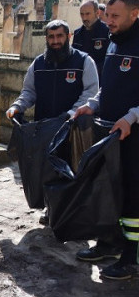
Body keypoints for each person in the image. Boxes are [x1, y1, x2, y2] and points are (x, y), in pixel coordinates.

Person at [6, 20, 99, 224]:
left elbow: (91, 93)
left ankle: (72, 211)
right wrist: (16, 107)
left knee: (73, 169)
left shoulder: (84, 62)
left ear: (68, 37)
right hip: (45, 128)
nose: (55, 41)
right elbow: (29, 92)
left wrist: (71, 113)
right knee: (47, 170)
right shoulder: (38, 64)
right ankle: (51, 209)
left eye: (60, 36)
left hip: (74, 127)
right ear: (46, 39)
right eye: (51, 37)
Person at [74, 0, 139, 280]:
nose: (107, 20)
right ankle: (109, 243)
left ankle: (131, 257)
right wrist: (92, 104)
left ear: (135, 14)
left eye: (115, 16)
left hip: (133, 133)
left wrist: (132, 116)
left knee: (132, 196)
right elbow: (108, 86)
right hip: (109, 130)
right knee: (110, 189)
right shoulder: (114, 42)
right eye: (107, 15)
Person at [73, 0, 111, 77]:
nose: (84, 18)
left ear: (97, 13)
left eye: (87, 14)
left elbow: (109, 59)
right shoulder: (78, 34)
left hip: (100, 78)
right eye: (82, 14)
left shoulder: (107, 32)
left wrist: (92, 70)